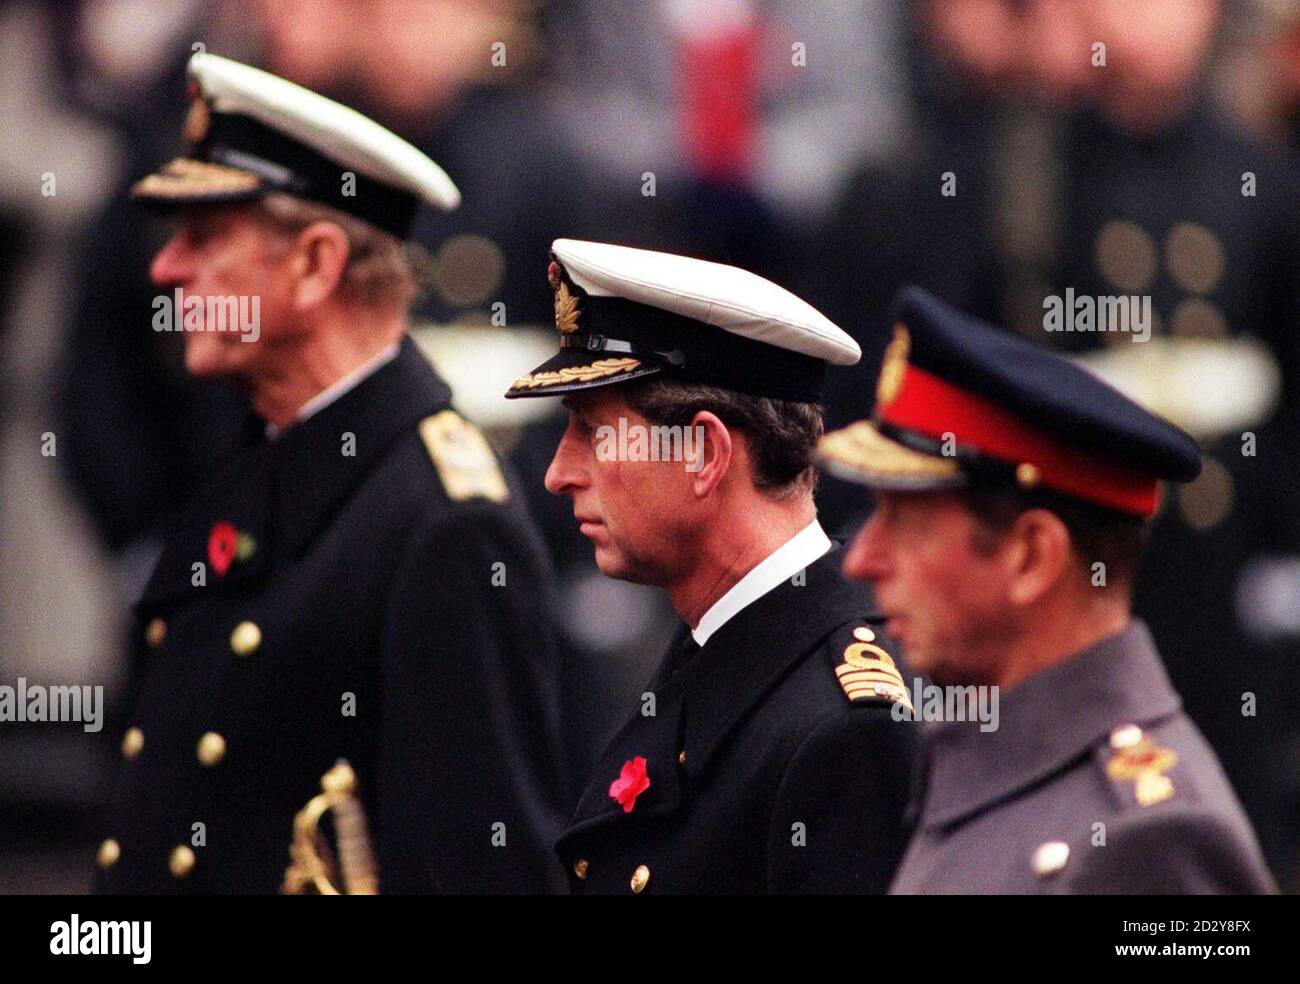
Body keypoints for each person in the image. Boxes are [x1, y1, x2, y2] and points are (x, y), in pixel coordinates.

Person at [94, 53, 567, 894]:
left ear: (315, 265)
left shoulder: (447, 526)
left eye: (203, 238)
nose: (165, 271)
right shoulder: (266, 457)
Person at [818, 286, 1276, 893]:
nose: (863, 560)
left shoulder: (1145, 840)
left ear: (1032, 556)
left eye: (904, 523)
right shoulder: (989, 757)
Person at [504, 239, 915, 894]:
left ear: (703, 453)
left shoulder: (843, 729)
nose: (558, 474)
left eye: (592, 432)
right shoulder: (722, 641)